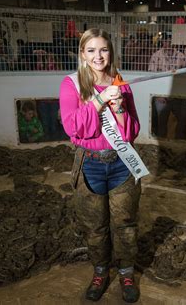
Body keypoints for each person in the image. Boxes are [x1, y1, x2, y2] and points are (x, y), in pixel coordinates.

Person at [59, 28, 141, 303]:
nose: (98, 56)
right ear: (82, 53)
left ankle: (126, 272)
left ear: (111, 52)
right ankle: (100, 271)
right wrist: (98, 100)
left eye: (103, 49)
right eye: (91, 50)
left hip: (122, 164)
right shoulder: (71, 84)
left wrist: (119, 107)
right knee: (95, 227)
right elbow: (74, 128)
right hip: (90, 165)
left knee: (125, 224)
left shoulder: (121, 84)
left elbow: (131, 132)